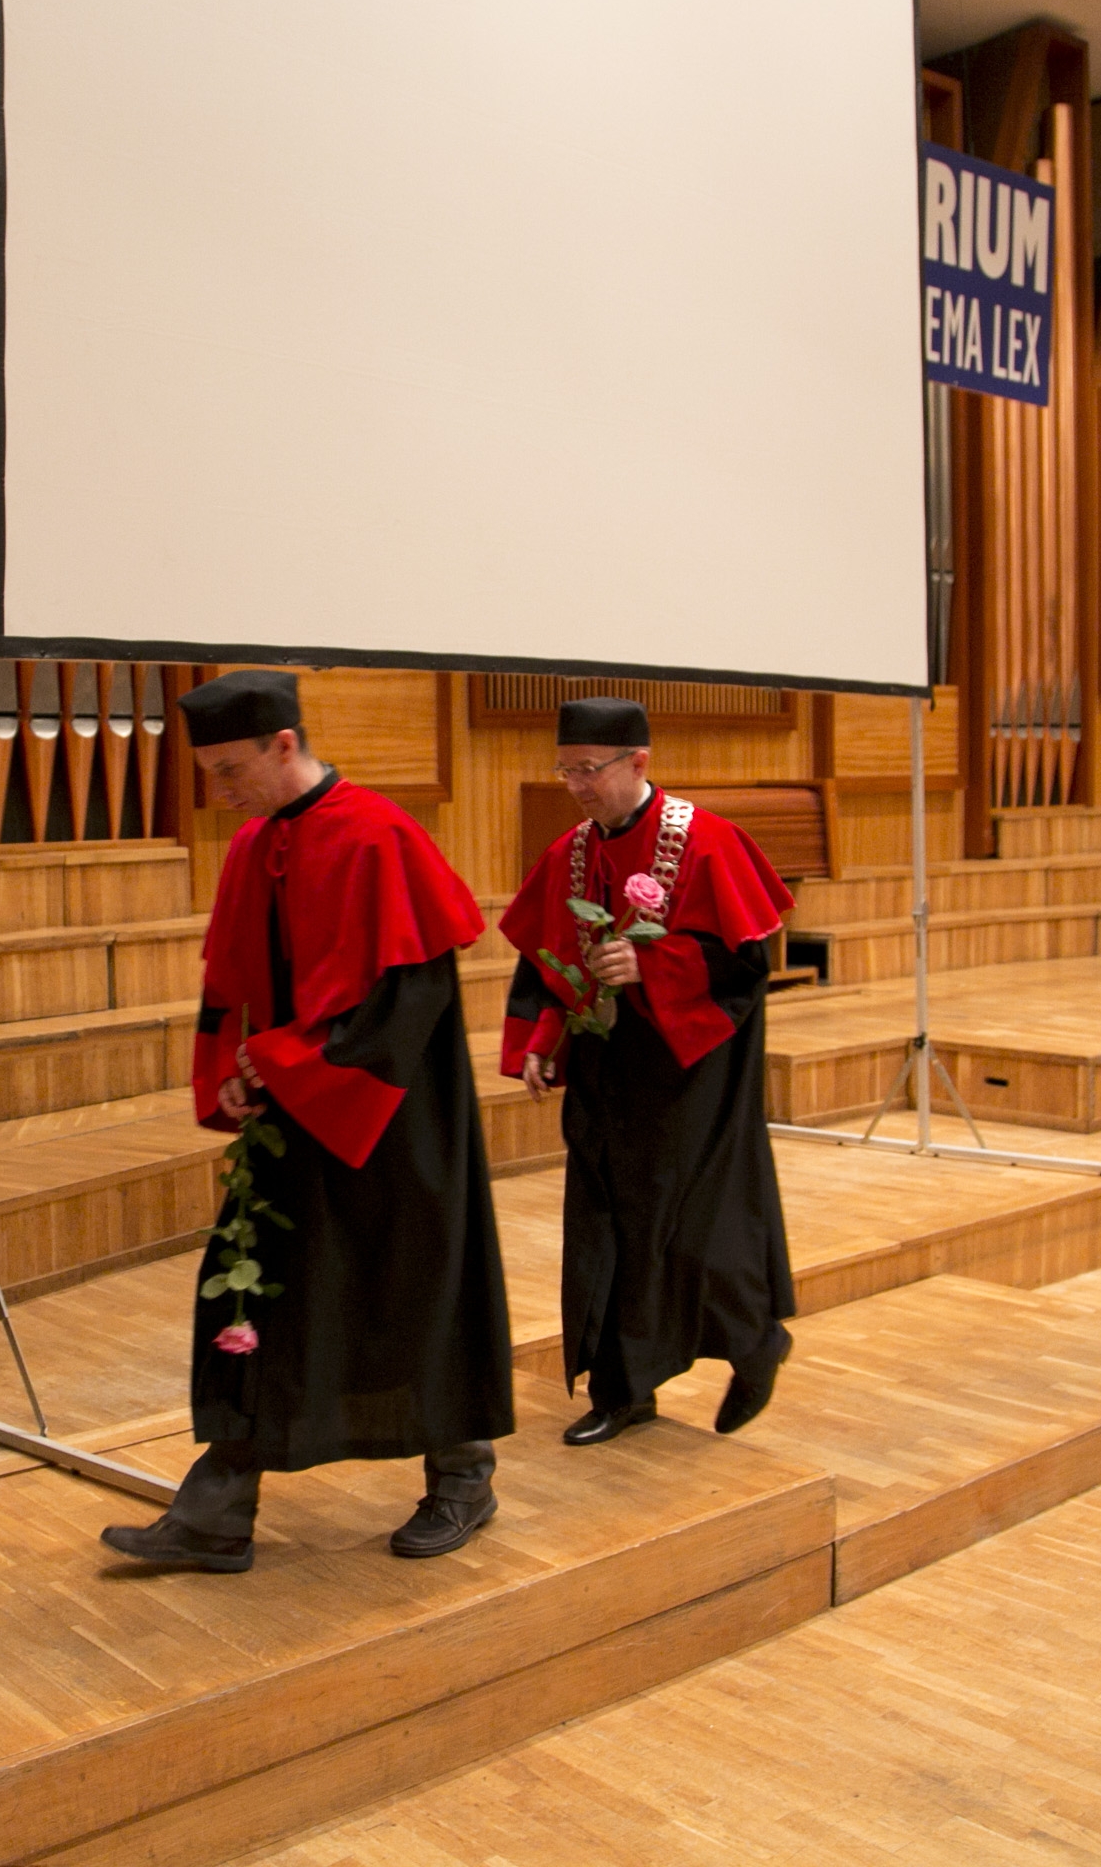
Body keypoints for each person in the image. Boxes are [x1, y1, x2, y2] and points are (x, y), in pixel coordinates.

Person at [101, 671, 514, 1570]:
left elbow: (410, 1004)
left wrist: (285, 1065)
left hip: (393, 1122)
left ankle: (463, 1475)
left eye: (230, 770)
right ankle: (215, 1512)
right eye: (209, 773)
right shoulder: (255, 843)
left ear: (284, 744)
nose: (220, 792)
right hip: (292, 1112)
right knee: (253, 1291)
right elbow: (229, 985)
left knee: (415, 1286)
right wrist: (231, 1072)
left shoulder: (379, 834)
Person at [498, 698, 798, 1444]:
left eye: (588, 769)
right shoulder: (571, 851)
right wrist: (539, 1040)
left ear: (638, 761)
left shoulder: (707, 841)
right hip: (605, 1069)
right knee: (605, 1224)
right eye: (565, 770)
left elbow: (747, 966)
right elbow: (543, 959)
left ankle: (754, 1340)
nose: (576, 785)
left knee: (693, 1227)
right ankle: (623, 1390)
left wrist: (653, 965)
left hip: (689, 1071)